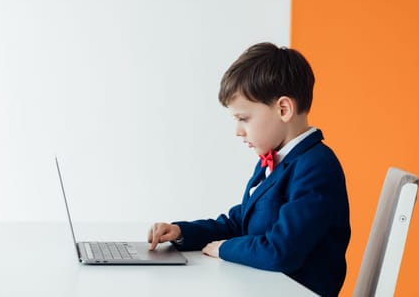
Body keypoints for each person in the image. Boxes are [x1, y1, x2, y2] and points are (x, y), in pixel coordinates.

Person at [148, 42, 350, 297]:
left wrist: (224, 249)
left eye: (244, 118)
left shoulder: (316, 167)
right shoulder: (274, 159)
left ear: (283, 109)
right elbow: (239, 223)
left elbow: (280, 251)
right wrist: (182, 232)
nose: (238, 131)